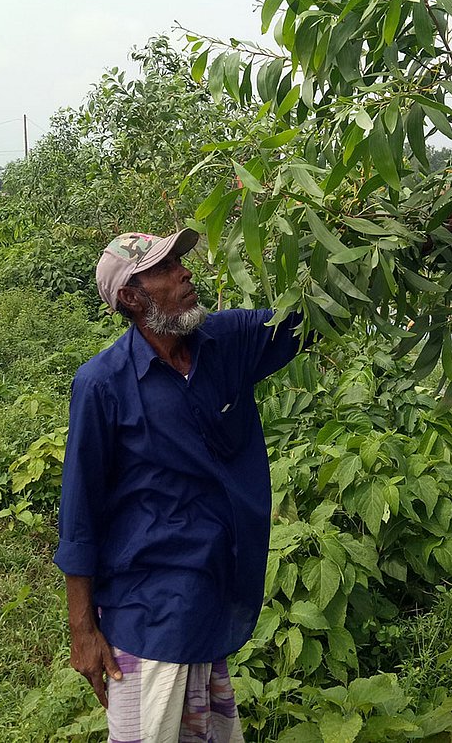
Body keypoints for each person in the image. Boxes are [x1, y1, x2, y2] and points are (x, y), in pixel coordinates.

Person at [55, 228, 306, 743]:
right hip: (149, 607)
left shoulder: (226, 343)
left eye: (180, 262)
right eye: (166, 268)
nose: (186, 273)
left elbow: (317, 310)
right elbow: (79, 516)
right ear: (131, 296)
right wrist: (83, 630)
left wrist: (419, 239)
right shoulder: (103, 385)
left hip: (214, 593)